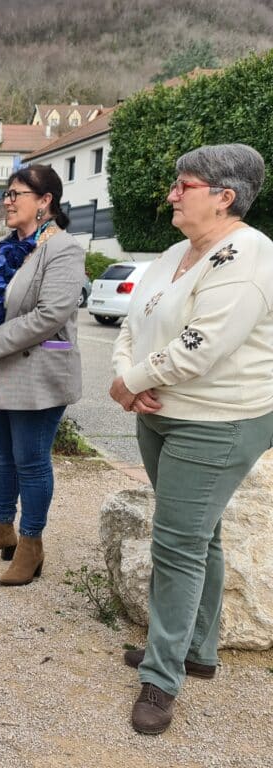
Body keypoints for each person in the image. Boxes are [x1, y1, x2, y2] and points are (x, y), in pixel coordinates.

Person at [108, 144, 273, 735]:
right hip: (159, 414)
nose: (172, 193)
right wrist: (128, 377)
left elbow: (203, 345)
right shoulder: (176, 253)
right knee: (202, 536)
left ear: (224, 197)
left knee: (177, 545)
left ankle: (162, 677)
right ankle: (196, 649)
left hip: (216, 421)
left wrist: (131, 381)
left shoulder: (249, 257)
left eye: (185, 185)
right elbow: (134, 322)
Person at [0, 164, 84, 584]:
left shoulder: (63, 249)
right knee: (2, 458)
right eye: (6, 194)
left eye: (16, 194)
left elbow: (50, 315)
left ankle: (31, 544)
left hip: (37, 372)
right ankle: (0, 529)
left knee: (30, 461)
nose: (7, 202)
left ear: (45, 201)